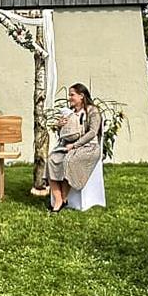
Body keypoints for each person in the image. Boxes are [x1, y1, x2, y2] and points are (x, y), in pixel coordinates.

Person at [46, 82, 102, 213]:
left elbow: (93, 132)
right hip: (69, 146)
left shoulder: (93, 111)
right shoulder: (70, 113)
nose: (69, 98)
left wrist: (75, 145)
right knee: (52, 160)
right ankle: (59, 199)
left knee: (69, 161)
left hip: (89, 147)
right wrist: (60, 125)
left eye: (72, 95)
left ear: (81, 96)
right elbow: (65, 134)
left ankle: (63, 199)